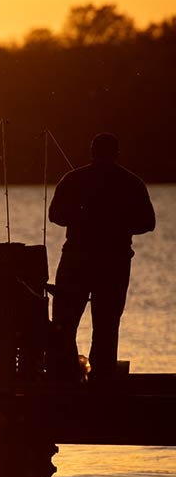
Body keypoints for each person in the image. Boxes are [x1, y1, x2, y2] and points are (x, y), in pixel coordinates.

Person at [47, 133, 154, 383]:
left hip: (77, 260)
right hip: (114, 263)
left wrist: (82, 219)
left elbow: (55, 216)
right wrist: (118, 225)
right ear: (116, 153)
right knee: (106, 325)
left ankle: (65, 379)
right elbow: (148, 223)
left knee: (65, 322)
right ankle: (101, 382)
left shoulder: (72, 180)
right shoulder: (131, 183)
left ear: (92, 152)